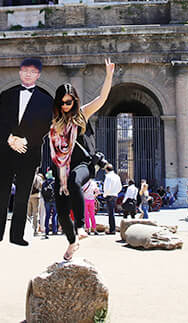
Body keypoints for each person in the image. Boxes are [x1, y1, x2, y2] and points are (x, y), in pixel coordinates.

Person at [47, 59, 114, 260]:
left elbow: (101, 99)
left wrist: (109, 76)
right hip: (61, 167)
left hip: (83, 165)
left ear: (74, 101)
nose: (66, 106)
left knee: (75, 181)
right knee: (61, 211)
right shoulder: (54, 121)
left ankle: (81, 226)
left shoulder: (82, 114)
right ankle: (72, 242)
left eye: (69, 102)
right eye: (62, 103)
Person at [0, 58, 54, 246]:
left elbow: (46, 125)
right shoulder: (6, 94)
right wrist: (9, 138)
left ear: (38, 75)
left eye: (32, 71)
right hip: (6, 151)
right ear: (19, 72)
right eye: (25, 70)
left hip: (29, 152)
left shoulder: (47, 99)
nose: (28, 74)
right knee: (1, 195)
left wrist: (26, 140)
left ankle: (17, 236)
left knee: (22, 197)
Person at [102, 164, 122, 235]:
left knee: (110, 213)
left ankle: (112, 230)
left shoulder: (108, 177)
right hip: (115, 195)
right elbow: (120, 187)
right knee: (112, 212)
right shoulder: (117, 176)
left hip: (109, 195)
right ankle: (112, 229)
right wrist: (116, 192)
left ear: (107, 170)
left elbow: (106, 187)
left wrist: (105, 194)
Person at [27, 172, 43, 236]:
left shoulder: (27, 176)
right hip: (36, 196)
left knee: (28, 214)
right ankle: (35, 230)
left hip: (28, 196)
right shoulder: (38, 178)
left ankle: (27, 229)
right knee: (35, 214)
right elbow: (41, 186)